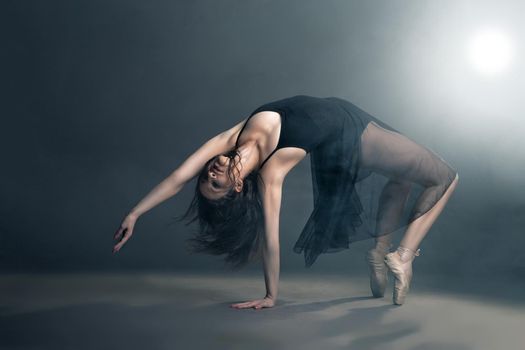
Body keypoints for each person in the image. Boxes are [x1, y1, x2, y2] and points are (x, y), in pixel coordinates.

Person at [113, 95, 459, 309]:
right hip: (352, 135)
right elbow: (271, 241)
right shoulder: (271, 174)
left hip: (347, 115)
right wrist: (270, 295)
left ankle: (379, 252)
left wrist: (135, 212)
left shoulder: (231, 137)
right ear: (235, 189)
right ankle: (402, 256)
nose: (211, 171)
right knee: (444, 176)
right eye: (214, 182)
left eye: (205, 176)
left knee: (402, 177)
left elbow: (177, 177)